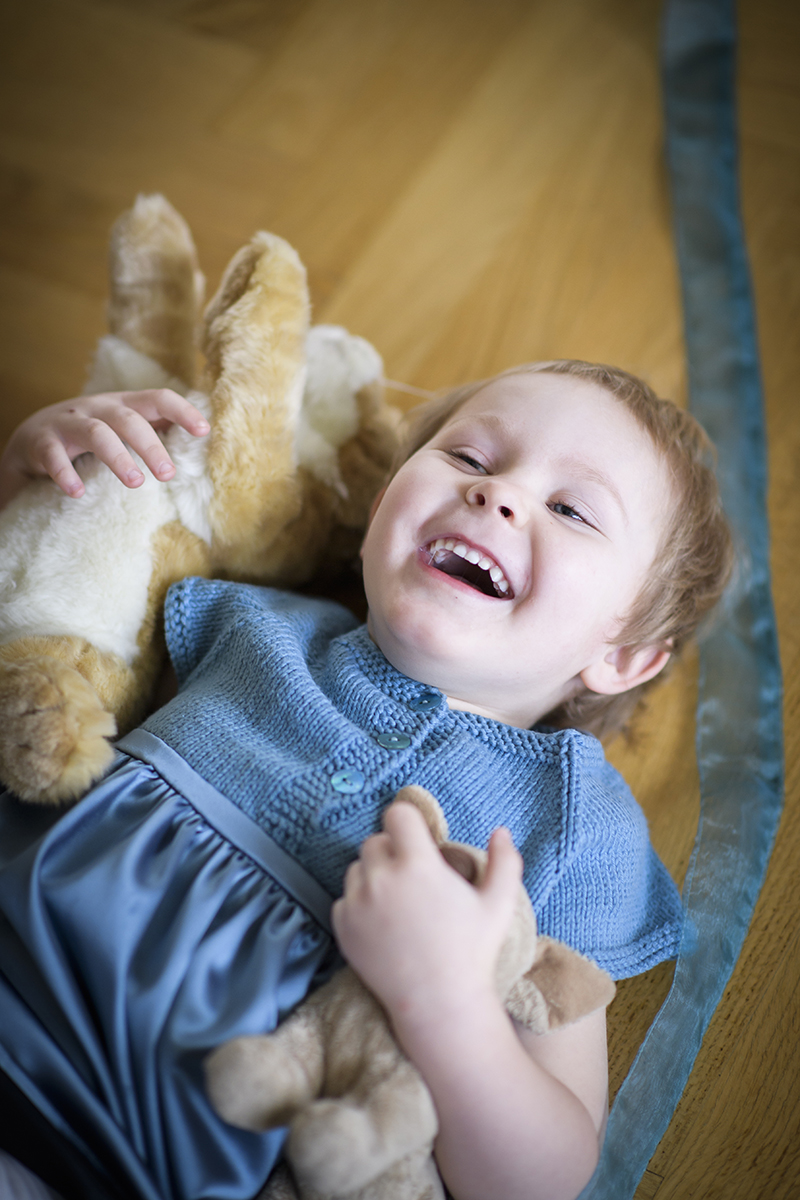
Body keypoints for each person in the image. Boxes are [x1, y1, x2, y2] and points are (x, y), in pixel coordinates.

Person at [0, 360, 733, 1200]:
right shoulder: (242, 620)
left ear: (623, 655)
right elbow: (43, 647)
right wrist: (32, 485)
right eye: (468, 458)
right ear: (383, 504)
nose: (497, 494)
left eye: (571, 510)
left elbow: (546, 1178)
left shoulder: (576, 828)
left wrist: (448, 1007)